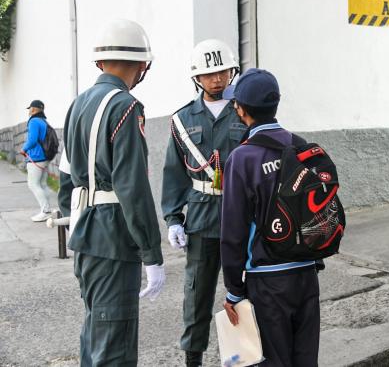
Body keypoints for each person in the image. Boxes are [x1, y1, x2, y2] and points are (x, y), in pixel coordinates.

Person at [59, 19, 165, 366]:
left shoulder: (78, 104)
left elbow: (66, 176)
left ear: (100, 61)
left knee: (94, 336)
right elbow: (133, 188)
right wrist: (151, 252)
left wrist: (75, 220)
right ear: (141, 65)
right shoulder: (125, 106)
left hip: (85, 233)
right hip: (114, 239)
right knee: (114, 349)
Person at [220, 69, 321, 367]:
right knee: (306, 360)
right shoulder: (300, 145)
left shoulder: (242, 158)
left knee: (274, 360)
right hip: (306, 272)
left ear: (241, 109)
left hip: (267, 278)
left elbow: (233, 231)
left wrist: (234, 290)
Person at [161, 39, 247, 367]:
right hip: (201, 219)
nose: (217, 79)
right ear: (197, 77)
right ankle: (193, 358)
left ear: (231, 72)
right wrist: (173, 219)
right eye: (209, 74)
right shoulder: (183, 119)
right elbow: (174, 173)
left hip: (241, 216)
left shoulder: (244, 110)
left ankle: (245, 355)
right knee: (196, 295)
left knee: (244, 292)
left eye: (222, 71)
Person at [21, 99, 52, 222]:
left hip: (36, 157)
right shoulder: (43, 121)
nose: (29, 111)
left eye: (30, 109)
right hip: (44, 157)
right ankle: (47, 210)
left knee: (33, 184)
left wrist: (24, 149)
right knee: (42, 184)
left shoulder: (33, 121)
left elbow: (32, 140)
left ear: (33, 109)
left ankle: (45, 211)